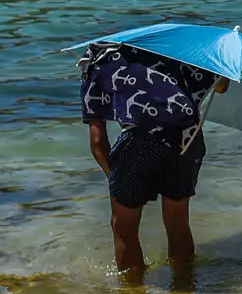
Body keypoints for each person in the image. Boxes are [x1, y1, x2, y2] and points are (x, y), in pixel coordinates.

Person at [81, 42, 229, 276]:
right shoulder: (169, 50)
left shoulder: (97, 65)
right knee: (177, 222)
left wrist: (117, 181)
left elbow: (97, 142)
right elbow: (221, 84)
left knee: (124, 228)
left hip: (140, 138)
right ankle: (183, 287)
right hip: (188, 136)